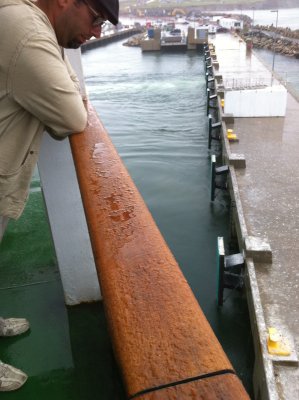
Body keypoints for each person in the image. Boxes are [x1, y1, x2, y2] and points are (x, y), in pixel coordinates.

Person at [0, 0, 119, 391]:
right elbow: (70, 116)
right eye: (97, 18)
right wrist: (66, 96)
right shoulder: (29, 32)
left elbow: (68, 85)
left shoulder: (35, 27)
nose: (98, 32)